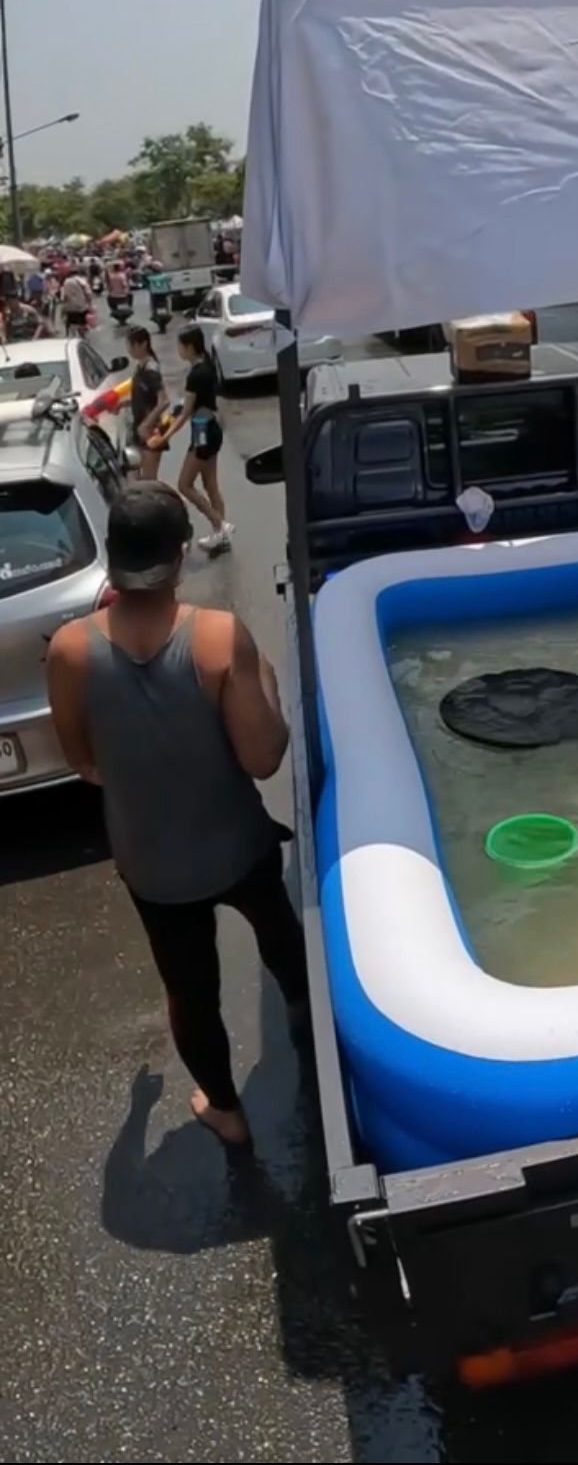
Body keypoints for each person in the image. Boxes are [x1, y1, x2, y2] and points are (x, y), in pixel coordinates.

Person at [46, 481, 308, 1147]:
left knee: (189, 989)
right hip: (237, 842)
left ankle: (225, 1109)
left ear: (111, 558)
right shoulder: (219, 638)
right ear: (183, 554)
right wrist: (265, 679)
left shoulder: (70, 650)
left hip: (152, 863)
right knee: (276, 928)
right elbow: (264, 757)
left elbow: (83, 760)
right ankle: (307, 1015)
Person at [151, 325, 234, 552]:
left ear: (188, 347)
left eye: (179, 345)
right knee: (210, 485)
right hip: (211, 429)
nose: (178, 349)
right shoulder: (207, 366)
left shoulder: (196, 375)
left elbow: (186, 413)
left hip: (203, 433)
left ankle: (220, 524)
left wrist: (164, 437)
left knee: (185, 484)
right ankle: (221, 535)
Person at [127, 326, 170, 480]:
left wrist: (147, 424)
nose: (130, 350)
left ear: (143, 344)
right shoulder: (140, 367)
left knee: (149, 479)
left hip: (151, 431)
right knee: (134, 475)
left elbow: (164, 401)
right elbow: (143, 396)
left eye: (132, 346)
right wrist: (123, 403)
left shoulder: (151, 369)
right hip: (138, 428)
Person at [61, 267, 92, 338]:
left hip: (70, 306)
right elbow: (88, 293)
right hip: (82, 305)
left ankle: (74, 338)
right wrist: (90, 304)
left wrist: (64, 306)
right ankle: (83, 337)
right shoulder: (82, 281)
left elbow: (63, 296)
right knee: (82, 322)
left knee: (72, 323)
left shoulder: (66, 282)